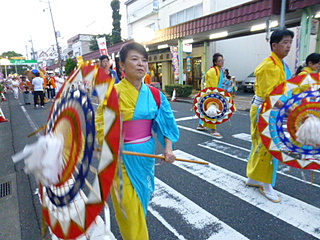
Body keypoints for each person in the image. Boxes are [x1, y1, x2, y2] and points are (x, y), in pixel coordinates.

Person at [96, 42, 179, 240]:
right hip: (121, 159)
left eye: (144, 60)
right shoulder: (112, 94)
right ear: (122, 66)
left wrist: (168, 148)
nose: (141, 64)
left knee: (141, 202)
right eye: (134, 59)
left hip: (146, 156)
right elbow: (102, 128)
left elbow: (167, 124)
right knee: (130, 213)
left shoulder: (156, 95)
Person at [246, 29, 294, 203]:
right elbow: (271, 96)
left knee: (261, 144)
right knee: (268, 146)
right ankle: (265, 184)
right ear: (274, 45)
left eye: (290, 42)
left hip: (273, 109)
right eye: (285, 42)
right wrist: (292, 111)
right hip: (265, 109)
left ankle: (254, 178)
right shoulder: (269, 65)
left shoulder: (281, 64)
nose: (288, 46)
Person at [197, 53, 225, 138]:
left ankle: (201, 125)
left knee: (207, 111)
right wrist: (216, 95)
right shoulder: (213, 71)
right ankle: (214, 130)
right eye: (220, 61)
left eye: (222, 60)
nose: (222, 62)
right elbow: (213, 86)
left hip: (214, 93)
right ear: (215, 62)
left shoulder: (219, 70)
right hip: (212, 94)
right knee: (213, 111)